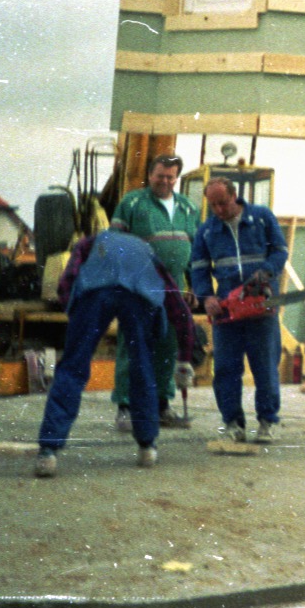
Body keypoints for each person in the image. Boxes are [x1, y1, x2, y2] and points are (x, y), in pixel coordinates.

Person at [33, 230, 195, 477]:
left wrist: (74, 315)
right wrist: (184, 359)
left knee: (73, 366)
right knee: (142, 366)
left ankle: (48, 452)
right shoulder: (148, 253)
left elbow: (68, 279)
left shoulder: (92, 242)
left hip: (95, 291)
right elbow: (180, 310)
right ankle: (147, 447)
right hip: (140, 296)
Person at [189, 177, 289, 444]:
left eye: (222, 203)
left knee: (265, 366)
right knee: (225, 369)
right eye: (213, 205)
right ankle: (232, 422)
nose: (219, 210)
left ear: (234, 196)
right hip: (226, 310)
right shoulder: (207, 231)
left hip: (262, 307)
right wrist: (206, 296)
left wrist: (266, 272)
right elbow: (198, 268)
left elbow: (280, 251)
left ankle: (267, 421)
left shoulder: (262, 218)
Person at [108, 153, 198, 432]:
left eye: (171, 176)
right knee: (133, 345)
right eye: (160, 175)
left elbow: (194, 252)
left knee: (167, 347)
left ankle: (161, 405)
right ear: (150, 174)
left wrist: (194, 286)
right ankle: (125, 407)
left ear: (177, 177)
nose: (165, 181)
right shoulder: (132, 203)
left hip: (175, 290)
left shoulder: (188, 208)